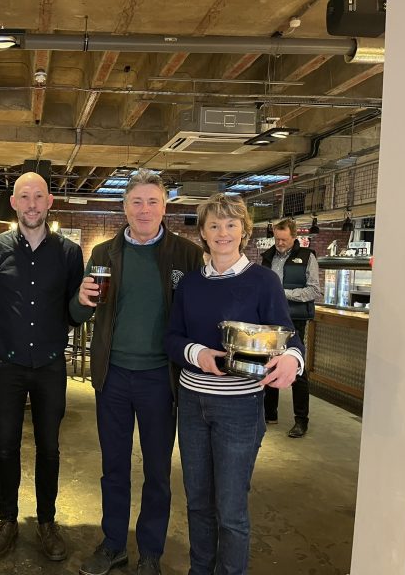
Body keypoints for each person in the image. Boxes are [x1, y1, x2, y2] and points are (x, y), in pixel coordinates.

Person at [70, 168, 203, 575]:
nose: (144, 210)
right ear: (124, 207)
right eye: (136, 202)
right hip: (112, 377)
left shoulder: (187, 255)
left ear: (165, 207)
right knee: (113, 467)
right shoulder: (103, 255)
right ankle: (113, 545)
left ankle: (150, 553)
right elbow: (77, 315)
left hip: (160, 379)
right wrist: (79, 299)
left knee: (158, 471)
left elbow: (199, 315)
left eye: (153, 202)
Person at [165, 194, 304, 575]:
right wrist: (199, 354)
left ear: (243, 230)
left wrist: (292, 359)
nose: (222, 232)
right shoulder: (191, 284)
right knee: (197, 503)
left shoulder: (263, 281)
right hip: (193, 404)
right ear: (204, 234)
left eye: (230, 224)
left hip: (240, 408)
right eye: (214, 225)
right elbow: (172, 338)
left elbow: (288, 337)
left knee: (230, 509)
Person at [0, 172, 84, 562]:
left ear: (50, 202)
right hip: (6, 364)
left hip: (51, 365)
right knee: (5, 446)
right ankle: (7, 520)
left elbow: (75, 312)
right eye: (25, 197)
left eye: (39, 196)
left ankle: (46, 522)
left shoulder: (70, 253)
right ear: (15, 202)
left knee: (49, 447)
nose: (33, 204)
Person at [260, 218, 321, 438]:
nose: (280, 243)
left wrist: (283, 294)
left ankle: (301, 420)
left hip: (295, 319)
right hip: (269, 320)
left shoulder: (307, 257)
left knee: (298, 368)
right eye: (277, 239)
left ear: (294, 237)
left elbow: (314, 290)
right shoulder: (267, 258)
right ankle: (269, 413)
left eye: (284, 239)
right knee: (269, 364)